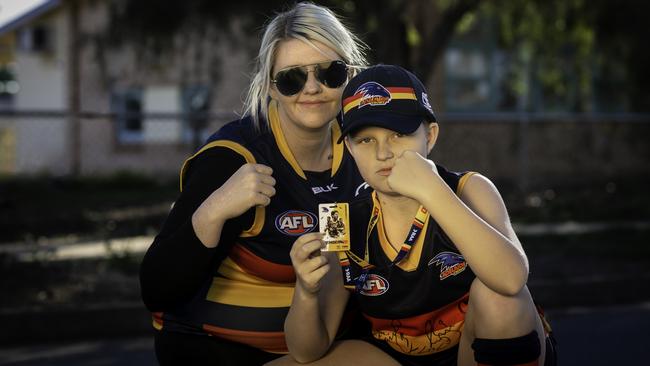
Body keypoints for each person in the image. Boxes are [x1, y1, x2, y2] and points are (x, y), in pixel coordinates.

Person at [138, 2, 369, 364]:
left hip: (321, 345)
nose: (312, 88)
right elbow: (157, 290)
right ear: (270, 87)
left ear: (351, 76)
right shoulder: (233, 158)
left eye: (330, 73)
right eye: (292, 78)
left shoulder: (364, 149)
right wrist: (213, 210)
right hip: (214, 347)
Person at [280, 65, 556, 366]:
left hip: (475, 350)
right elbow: (306, 350)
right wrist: (306, 290)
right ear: (349, 147)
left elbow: (512, 280)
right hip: (396, 355)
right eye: (366, 140)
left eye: (398, 134)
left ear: (430, 136)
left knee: (500, 301)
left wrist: (431, 190)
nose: (384, 153)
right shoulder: (339, 218)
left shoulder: (469, 188)